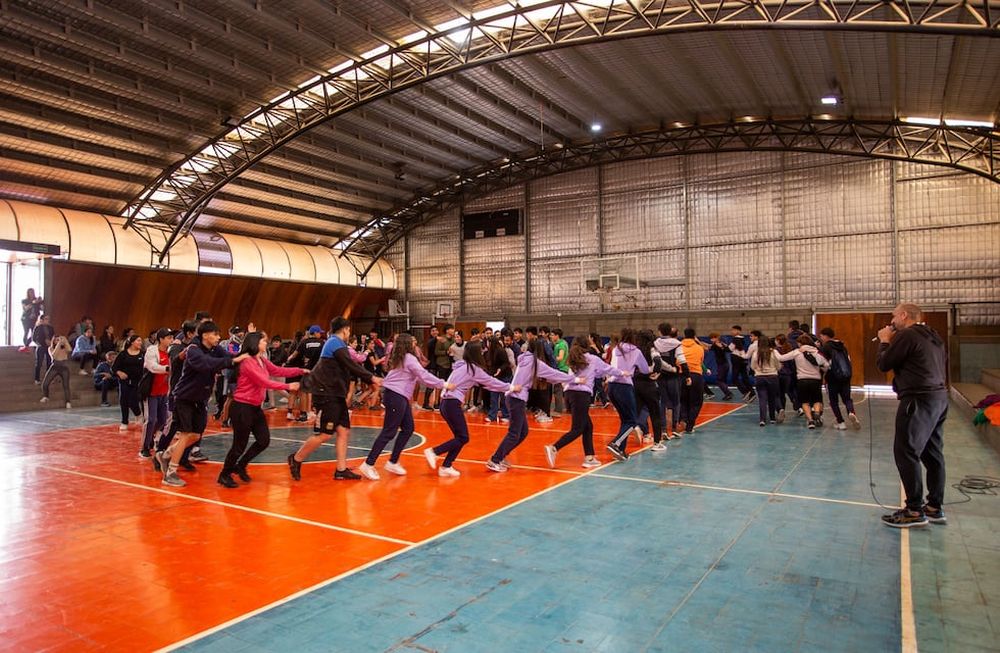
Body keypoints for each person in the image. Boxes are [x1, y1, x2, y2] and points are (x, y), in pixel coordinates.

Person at [876, 303, 949, 528]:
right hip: (938, 397)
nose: (892, 320)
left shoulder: (907, 335)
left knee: (906, 451)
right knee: (932, 452)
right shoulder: (932, 335)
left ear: (904, 315)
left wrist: (885, 341)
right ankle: (934, 506)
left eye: (894, 316)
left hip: (918, 399)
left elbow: (884, 363)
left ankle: (914, 510)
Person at [287, 317, 381, 482]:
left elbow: (348, 366)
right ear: (345, 329)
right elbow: (351, 364)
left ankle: (341, 470)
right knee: (325, 434)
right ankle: (296, 458)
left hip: (336, 394)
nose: (349, 333)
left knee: (343, 430)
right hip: (326, 394)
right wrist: (371, 378)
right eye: (349, 330)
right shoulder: (333, 343)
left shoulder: (338, 344)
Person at [156, 322, 247, 487]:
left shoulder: (215, 348)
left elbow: (228, 356)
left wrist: (245, 352)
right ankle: (170, 474)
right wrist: (233, 361)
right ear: (205, 335)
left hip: (200, 399)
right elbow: (207, 363)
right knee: (185, 434)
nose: (219, 338)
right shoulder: (193, 349)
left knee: (196, 436)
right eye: (216, 334)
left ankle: (166, 454)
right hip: (184, 397)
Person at [219, 332, 307, 488]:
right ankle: (224, 474)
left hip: (254, 407)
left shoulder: (261, 360)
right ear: (255, 343)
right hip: (242, 407)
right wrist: (288, 386)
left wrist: (299, 371)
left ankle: (241, 465)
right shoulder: (247, 363)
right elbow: (264, 381)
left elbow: (278, 371)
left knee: (263, 440)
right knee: (239, 444)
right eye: (263, 341)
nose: (266, 343)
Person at [359, 334, 450, 480]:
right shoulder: (409, 358)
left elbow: (421, 375)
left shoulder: (402, 357)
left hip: (399, 396)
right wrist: (444, 384)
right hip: (396, 396)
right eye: (413, 342)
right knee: (389, 431)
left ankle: (393, 461)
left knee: (408, 429)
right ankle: (368, 464)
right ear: (407, 344)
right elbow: (423, 375)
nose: (416, 344)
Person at [424, 341, 515, 477]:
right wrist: (511, 387)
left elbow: (487, 384)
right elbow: (490, 382)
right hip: (451, 403)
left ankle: (446, 466)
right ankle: (434, 452)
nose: (483, 352)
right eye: (481, 351)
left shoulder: (463, 366)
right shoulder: (474, 369)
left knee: (460, 437)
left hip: (446, 403)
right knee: (463, 437)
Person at [486, 338, 579, 472]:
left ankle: (500, 456)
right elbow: (553, 373)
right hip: (516, 398)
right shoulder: (535, 363)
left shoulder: (524, 359)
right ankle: (495, 459)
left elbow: (548, 376)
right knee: (514, 433)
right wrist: (573, 379)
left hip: (514, 398)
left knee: (523, 432)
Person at [544, 335, 630, 468]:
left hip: (569, 394)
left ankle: (589, 458)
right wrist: (623, 373)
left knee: (588, 426)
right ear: (587, 346)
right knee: (578, 428)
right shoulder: (593, 358)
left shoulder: (572, 359)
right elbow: (608, 369)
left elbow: (588, 374)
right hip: (581, 395)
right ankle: (554, 447)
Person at [604, 329, 651, 462]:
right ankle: (616, 443)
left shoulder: (615, 350)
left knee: (625, 420)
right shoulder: (636, 351)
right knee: (632, 421)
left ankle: (621, 450)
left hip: (612, 386)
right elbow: (645, 369)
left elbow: (612, 367)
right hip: (625, 386)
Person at [776, 334, 828, 428]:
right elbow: (826, 365)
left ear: (800, 343)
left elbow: (781, 358)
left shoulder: (797, 352)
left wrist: (774, 350)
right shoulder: (816, 352)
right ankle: (816, 412)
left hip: (802, 380)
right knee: (816, 400)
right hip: (815, 380)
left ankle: (810, 421)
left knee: (805, 402)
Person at [139, 328, 173, 459]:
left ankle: (151, 435)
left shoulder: (171, 351)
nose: (170, 340)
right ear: (161, 339)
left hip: (164, 391)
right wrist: (167, 368)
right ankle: (145, 447)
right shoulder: (152, 351)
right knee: (151, 419)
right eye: (168, 338)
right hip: (151, 391)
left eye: (171, 338)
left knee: (163, 421)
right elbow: (152, 366)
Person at [818, 327, 861, 430]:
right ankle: (851, 412)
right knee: (847, 399)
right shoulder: (842, 346)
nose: (821, 338)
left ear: (825, 336)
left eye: (821, 336)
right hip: (845, 376)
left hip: (832, 377)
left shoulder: (826, 347)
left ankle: (841, 422)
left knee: (833, 401)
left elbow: (823, 363)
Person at [676, 328, 707, 436]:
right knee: (696, 402)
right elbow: (701, 361)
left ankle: (683, 418)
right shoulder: (699, 348)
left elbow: (677, 361)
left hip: (681, 375)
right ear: (694, 336)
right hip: (695, 375)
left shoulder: (679, 346)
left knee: (683, 399)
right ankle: (690, 425)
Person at [113, 335, 145, 432]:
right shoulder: (123, 354)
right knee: (124, 401)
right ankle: (124, 421)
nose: (140, 342)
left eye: (141, 341)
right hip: (124, 381)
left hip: (138, 381)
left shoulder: (143, 354)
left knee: (133, 400)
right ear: (132, 342)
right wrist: (119, 373)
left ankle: (138, 414)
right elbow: (114, 367)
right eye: (138, 340)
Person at [749, 336, 782, 427]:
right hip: (772, 376)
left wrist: (758, 370)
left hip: (760, 377)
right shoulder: (774, 352)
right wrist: (775, 369)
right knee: (772, 398)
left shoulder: (756, 353)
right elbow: (778, 364)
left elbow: (752, 366)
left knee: (762, 399)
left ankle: (762, 419)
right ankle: (772, 418)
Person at [40, 334, 72, 408]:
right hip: (55, 366)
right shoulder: (50, 348)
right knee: (45, 383)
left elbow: (70, 350)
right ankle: (46, 396)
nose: (58, 341)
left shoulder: (64, 348)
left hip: (64, 367)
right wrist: (58, 345)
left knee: (66, 385)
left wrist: (65, 341)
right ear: (53, 341)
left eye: (59, 339)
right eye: (56, 340)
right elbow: (54, 355)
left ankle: (68, 402)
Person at [31, 314, 54, 385]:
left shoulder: (50, 328)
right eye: (46, 319)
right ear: (42, 320)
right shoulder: (38, 327)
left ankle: (49, 378)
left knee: (49, 363)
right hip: (41, 346)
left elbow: (53, 336)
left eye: (48, 319)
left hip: (49, 347)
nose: (48, 320)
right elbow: (34, 338)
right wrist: (41, 343)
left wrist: (51, 342)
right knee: (39, 363)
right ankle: (37, 379)